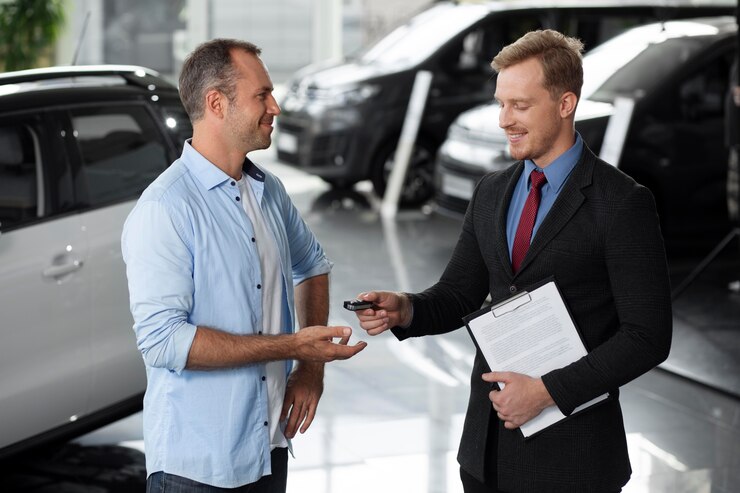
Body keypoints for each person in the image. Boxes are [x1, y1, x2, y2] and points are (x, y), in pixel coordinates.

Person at [354, 30, 672, 493]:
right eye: (501, 104)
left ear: (566, 104)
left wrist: (546, 393)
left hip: (575, 461)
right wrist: (406, 307)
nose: (505, 120)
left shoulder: (622, 202)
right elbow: (459, 292)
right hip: (486, 453)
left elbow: (647, 336)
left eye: (520, 105)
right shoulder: (492, 192)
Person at [121, 38, 366, 492]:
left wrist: (309, 370)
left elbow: (312, 265)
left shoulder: (268, 190)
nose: (275, 106)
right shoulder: (165, 208)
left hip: (269, 447)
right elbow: (163, 341)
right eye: (262, 95)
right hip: (196, 468)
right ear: (217, 103)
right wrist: (293, 346)